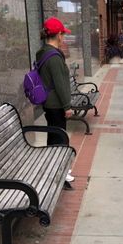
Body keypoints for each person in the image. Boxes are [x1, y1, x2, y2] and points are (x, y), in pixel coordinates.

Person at [36, 16, 74, 182]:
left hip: (48, 103)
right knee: (59, 137)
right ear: (58, 35)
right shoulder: (54, 57)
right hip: (56, 104)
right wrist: (67, 106)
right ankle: (60, 171)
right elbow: (60, 84)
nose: (63, 38)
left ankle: (51, 167)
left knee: (53, 135)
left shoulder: (43, 52)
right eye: (63, 34)